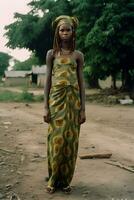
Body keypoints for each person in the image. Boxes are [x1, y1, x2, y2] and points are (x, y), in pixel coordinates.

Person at [44, 15, 86, 194]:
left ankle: (66, 181)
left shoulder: (78, 55)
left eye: (68, 29)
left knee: (70, 141)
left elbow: (81, 82)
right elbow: (47, 81)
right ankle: (53, 179)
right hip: (56, 101)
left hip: (73, 102)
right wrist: (45, 106)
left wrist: (83, 109)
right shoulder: (51, 54)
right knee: (56, 141)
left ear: (72, 32)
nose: (65, 32)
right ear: (57, 33)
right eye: (62, 30)